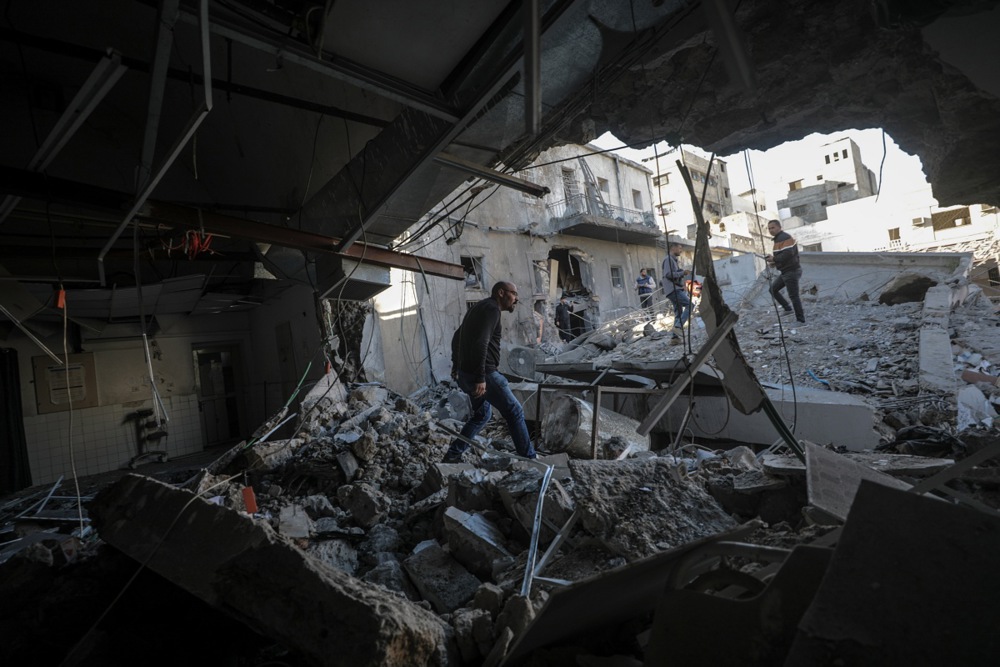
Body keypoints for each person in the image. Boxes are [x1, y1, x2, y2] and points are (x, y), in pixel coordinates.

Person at [444, 281, 537, 463]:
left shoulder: (479, 307)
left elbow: (457, 336)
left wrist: (457, 365)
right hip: (484, 375)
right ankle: (529, 459)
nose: (516, 299)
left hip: (467, 374)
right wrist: (481, 377)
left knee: (481, 415)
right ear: (501, 293)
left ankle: (453, 455)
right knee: (515, 411)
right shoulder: (492, 309)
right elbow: (481, 343)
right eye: (514, 293)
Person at [764, 219, 805, 324]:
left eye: (773, 228)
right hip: (786, 271)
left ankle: (800, 320)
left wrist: (774, 259)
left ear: (779, 227)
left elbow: (788, 254)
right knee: (773, 289)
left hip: (791, 271)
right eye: (769, 228)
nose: (771, 230)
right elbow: (784, 256)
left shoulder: (784, 238)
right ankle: (787, 309)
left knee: (794, 296)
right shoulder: (779, 239)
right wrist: (775, 262)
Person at [661, 241, 692, 339]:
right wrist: (682, 273)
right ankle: (678, 327)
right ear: (673, 248)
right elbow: (668, 274)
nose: (681, 250)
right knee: (690, 305)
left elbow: (674, 274)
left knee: (679, 313)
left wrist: (681, 274)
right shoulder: (668, 259)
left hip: (674, 289)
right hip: (673, 290)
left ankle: (675, 338)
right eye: (679, 248)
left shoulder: (673, 260)